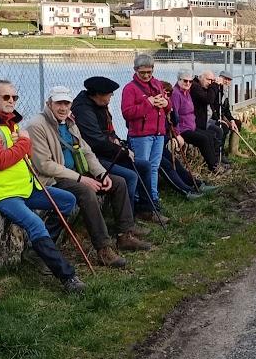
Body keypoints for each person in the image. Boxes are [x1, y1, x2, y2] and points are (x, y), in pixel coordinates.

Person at [0, 79, 85, 293]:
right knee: (35, 224)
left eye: (14, 97)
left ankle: (38, 251)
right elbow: (1, 160)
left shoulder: (10, 122)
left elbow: (24, 155)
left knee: (67, 201)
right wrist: (25, 143)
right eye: (6, 97)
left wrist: (24, 145)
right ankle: (68, 277)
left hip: (22, 187)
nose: (12, 101)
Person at [24, 86, 153, 268]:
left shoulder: (69, 122)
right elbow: (45, 165)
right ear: (49, 103)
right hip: (53, 180)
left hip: (77, 174)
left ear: (71, 104)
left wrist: (101, 173)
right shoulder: (36, 125)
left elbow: (87, 151)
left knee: (118, 182)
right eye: (58, 103)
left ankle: (125, 235)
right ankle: (103, 249)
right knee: (86, 192)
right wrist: (81, 178)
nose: (62, 107)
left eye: (66, 103)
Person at [72, 76, 163, 223]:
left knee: (145, 166)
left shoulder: (100, 105)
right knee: (130, 176)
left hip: (108, 152)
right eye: (109, 94)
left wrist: (119, 142)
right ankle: (128, 221)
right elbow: (96, 141)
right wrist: (123, 152)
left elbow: (109, 132)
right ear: (98, 95)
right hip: (95, 158)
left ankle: (146, 209)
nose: (111, 97)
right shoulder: (83, 110)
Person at [121, 53, 170, 219]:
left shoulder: (157, 84)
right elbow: (127, 113)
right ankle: (140, 203)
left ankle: (153, 200)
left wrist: (166, 104)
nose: (147, 75)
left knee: (154, 167)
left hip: (158, 133)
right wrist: (147, 103)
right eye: (143, 73)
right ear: (135, 70)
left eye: (149, 72)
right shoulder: (130, 89)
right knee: (141, 169)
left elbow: (168, 106)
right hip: (141, 135)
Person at [171, 70, 221, 172]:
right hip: (183, 129)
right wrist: (177, 133)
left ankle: (216, 163)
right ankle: (214, 167)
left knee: (210, 135)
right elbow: (173, 115)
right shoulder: (176, 93)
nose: (188, 83)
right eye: (185, 81)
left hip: (191, 126)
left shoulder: (187, 92)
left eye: (190, 81)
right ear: (179, 80)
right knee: (203, 139)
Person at [213, 71, 240, 163]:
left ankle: (233, 150)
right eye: (225, 79)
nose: (227, 82)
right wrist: (219, 118)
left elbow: (226, 109)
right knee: (224, 128)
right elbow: (213, 107)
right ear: (220, 78)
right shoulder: (216, 89)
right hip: (214, 117)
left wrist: (231, 120)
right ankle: (220, 153)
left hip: (222, 115)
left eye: (229, 80)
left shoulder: (225, 92)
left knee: (237, 123)